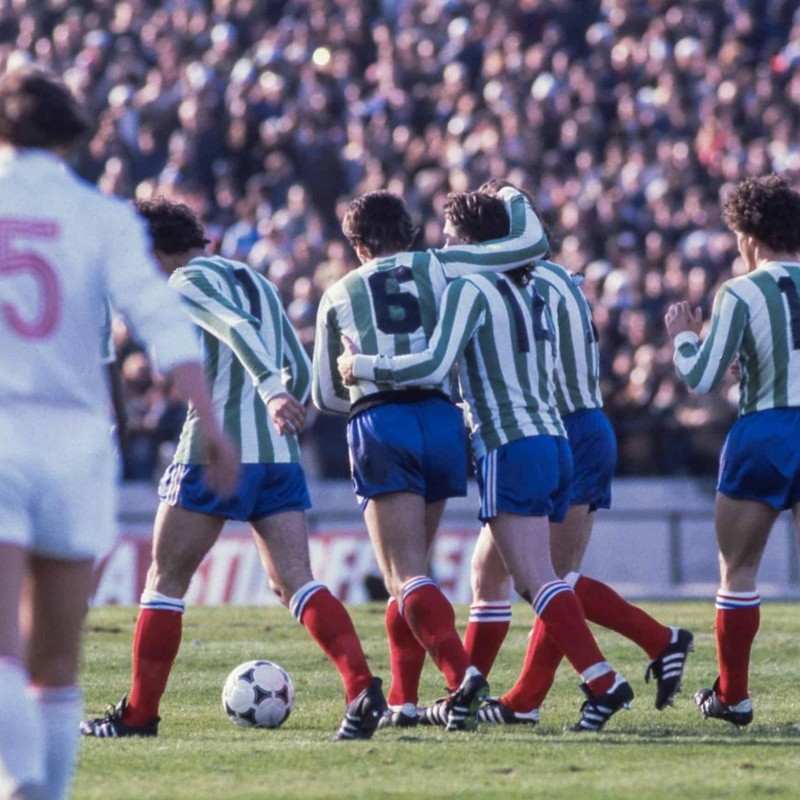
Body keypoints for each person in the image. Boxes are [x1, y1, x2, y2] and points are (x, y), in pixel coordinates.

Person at [0, 66, 239, 800]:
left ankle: (17, 783)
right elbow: (164, 323)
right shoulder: (100, 216)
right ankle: (41, 791)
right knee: (58, 654)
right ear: (72, 137)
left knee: (5, 646)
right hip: (77, 443)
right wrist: (213, 425)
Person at [80, 198, 387, 742]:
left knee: (164, 581)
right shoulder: (257, 279)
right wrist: (295, 403)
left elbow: (233, 326)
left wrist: (268, 394)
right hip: (278, 456)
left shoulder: (183, 283)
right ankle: (361, 687)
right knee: (295, 582)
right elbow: (296, 355)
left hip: (215, 449)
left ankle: (138, 715)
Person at [338, 189, 634, 732]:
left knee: (536, 580)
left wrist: (363, 366)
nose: (443, 245)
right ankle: (452, 701)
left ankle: (603, 682)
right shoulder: (529, 286)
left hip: (508, 440)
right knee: (515, 576)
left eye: (451, 235)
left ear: (473, 242)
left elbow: (432, 361)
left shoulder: (471, 288)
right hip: (554, 437)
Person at [440, 182, 694, 728]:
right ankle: (463, 692)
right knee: (492, 571)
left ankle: (534, 695)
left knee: (548, 577)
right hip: (568, 425)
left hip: (555, 426)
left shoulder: (513, 280)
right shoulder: (546, 276)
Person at [313, 185, 549, 730]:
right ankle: (403, 699)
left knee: (403, 574)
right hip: (444, 418)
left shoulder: (339, 292)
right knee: (413, 569)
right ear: (410, 234)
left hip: (383, 417)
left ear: (357, 244)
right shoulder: (442, 265)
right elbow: (528, 246)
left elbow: (324, 392)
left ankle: (460, 673)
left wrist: (362, 375)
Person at [665, 174, 800, 727]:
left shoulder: (742, 290)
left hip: (765, 432)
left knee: (738, 570)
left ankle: (733, 697)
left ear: (749, 235)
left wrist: (682, 334)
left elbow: (699, 376)